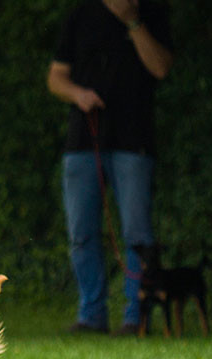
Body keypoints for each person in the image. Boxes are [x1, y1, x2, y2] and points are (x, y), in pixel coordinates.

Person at [47, 0, 173, 335]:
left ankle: (137, 316)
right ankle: (91, 315)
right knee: (81, 234)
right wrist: (79, 95)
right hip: (82, 142)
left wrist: (133, 22)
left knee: (137, 234)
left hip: (134, 141)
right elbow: (56, 78)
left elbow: (161, 67)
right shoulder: (80, 14)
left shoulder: (151, 11)